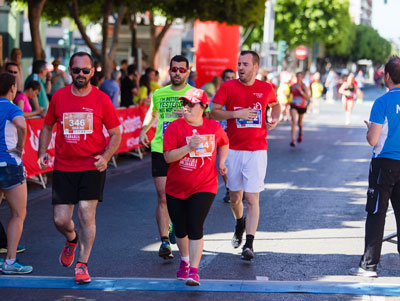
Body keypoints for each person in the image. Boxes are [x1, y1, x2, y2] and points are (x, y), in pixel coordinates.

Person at [37, 52, 121, 284]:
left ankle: (82, 264)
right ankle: (71, 239)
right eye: (77, 70)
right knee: (60, 220)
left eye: (86, 70)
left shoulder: (101, 99)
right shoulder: (59, 97)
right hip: (64, 166)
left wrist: (106, 157)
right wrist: (42, 152)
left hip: (92, 166)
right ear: (70, 71)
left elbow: (115, 134)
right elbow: (46, 127)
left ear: (93, 72)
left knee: (86, 213)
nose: (81, 74)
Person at [211, 50, 280, 261]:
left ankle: (249, 244)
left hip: (257, 150)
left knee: (252, 197)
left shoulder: (266, 88)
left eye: (245, 64)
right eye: (239, 64)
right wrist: (236, 114)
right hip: (233, 149)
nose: (240, 68)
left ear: (255, 67)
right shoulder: (227, 87)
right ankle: (239, 221)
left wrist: (274, 120)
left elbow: (276, 105)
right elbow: (214, 111)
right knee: (235, 198)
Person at [163, 88, 228, 286]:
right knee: (180, 229)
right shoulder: (175, 127)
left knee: (194, 225)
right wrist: (188, 148)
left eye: (191, 104)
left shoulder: (213, 127)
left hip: (205, 185)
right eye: (185, 104)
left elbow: (224, 142)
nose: (186, 108)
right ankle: (184, 259)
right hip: (176, 187)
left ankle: (194, 271)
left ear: (203, 107)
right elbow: (168, 157)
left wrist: (222, 162)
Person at [349, 56, 400, 278]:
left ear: (386, 76)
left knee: (377, 212)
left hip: (384, 164)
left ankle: (369, 266)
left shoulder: (382, 102)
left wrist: (370, 129)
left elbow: (373, 139)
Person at [139, 55, 193, 260]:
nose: (177, 73)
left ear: (187, 72)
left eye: (181, 70)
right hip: (161, 148)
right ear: (168, 71)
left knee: (183, 197)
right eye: (174, 69)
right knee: (162, 195)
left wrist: (187, 115)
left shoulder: (194, 94)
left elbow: (204, 120)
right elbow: (152, 113)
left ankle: (174, 224)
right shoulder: (159, 93)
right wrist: (144, 129)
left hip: (185, 150)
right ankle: (164, 242)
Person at [0, 73, 32, 274]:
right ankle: (10, 262)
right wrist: (20, 146)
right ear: (12, 88)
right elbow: (22, 124)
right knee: (18, 214)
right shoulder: (12, 107)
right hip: (10, 164)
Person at [209, 68, 236, 203]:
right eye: (227, 77)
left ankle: (237, 188)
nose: (230, 80)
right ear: (222, 80)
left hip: (237, 136)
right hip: (222, 136)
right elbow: (210, 114)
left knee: (236, 165)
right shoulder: (216, 96)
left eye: (232, 77)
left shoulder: (239, 95)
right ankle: (229, 189)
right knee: (224, 163)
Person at [289, 72, 310, 147]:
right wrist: (289, 96)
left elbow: (308, 97)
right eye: (297, 76)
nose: (298, 78)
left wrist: (300, 91)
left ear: (302, 78)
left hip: (302, 106)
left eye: (300, 76)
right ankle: (293, 140)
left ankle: (300, 133)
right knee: (294, 121)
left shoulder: (304, 86)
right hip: (294, 105)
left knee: (299, 123)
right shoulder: (292, 86)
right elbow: (290, 94)